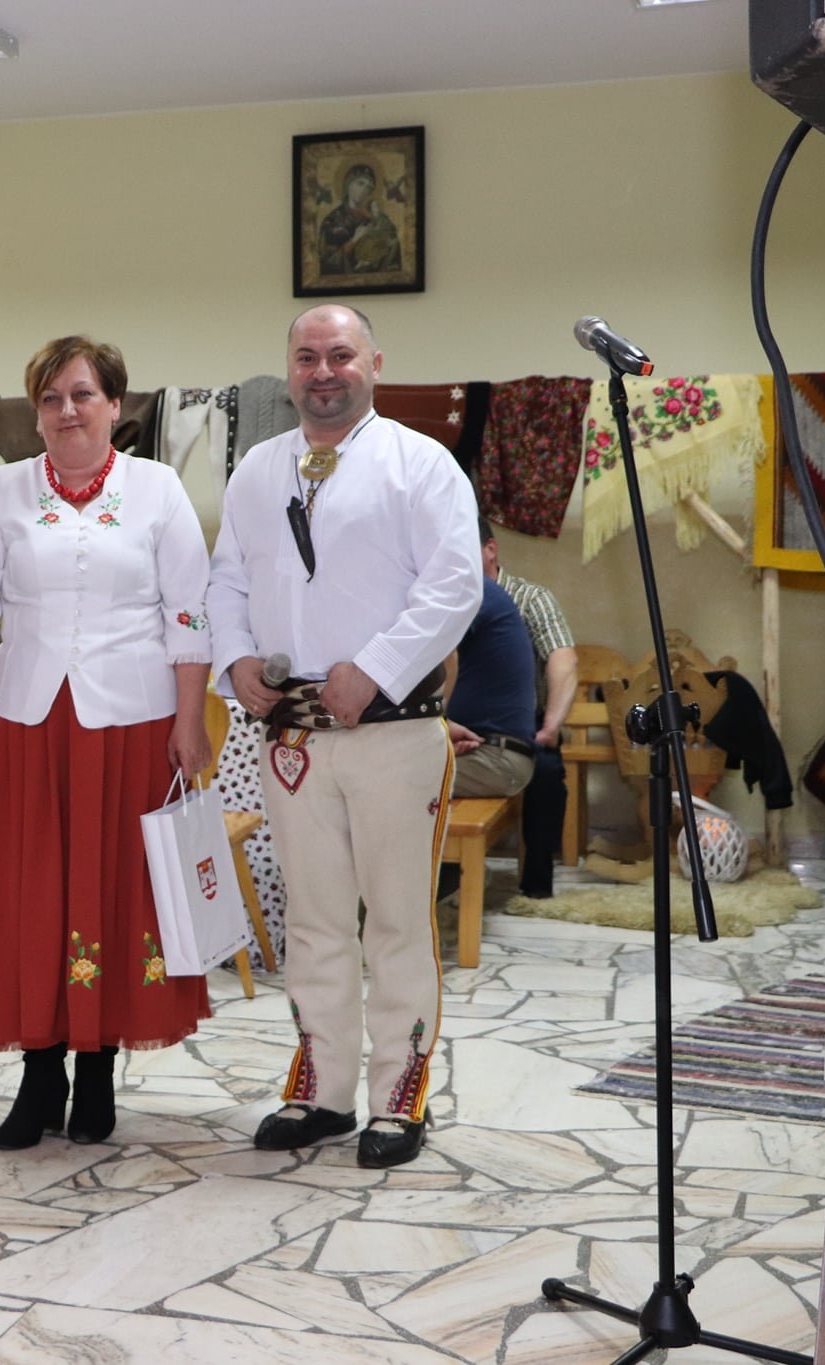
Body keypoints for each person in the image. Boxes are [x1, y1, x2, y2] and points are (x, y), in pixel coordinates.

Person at [207, 303, 479, 1169]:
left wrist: (378, 668)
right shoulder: (257, 470)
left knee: (396, 918)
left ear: (375, 364)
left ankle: (401, 1093)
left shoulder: (421, 464)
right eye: (307, 357)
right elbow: (225, 582)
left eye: (340, 355)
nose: (323, 372)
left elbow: (455, 586)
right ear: (288, 369)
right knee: (315, 918)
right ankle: (321, 1088)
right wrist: (235, 660)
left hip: (394, 731)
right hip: (291, 737)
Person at [0, 335, 213, 1150]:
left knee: (119, 891)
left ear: (115, 406)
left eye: (83, 394)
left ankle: (97, 1069)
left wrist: (189, 722)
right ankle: (41, 1071)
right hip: (27, 726)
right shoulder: (1, 490)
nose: (66, 410)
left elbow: (190, 615)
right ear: (36, 413)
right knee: (33, 894)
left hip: (134, 725)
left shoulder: (158, 489)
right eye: (51, 398)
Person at [482, 525, 577, 898]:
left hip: (523, 724)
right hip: (459, 720)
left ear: (491, 549)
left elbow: (563, 658)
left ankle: (537, 884)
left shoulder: (531, 599)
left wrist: (550, 726)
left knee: (547, 773)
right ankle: (449, 874)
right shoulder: (443, 596)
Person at [445, 527, 539, 804]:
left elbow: (439, 659)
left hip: (494, 757)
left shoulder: (468, 589)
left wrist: (437, 726)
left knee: (384, 779)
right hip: (485, 749)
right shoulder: (477, 588)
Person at [318, 163, 402, 277]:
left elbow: (393, 245)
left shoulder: (377, 217)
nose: (364, 190)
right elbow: (326, 263)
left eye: (369, 187)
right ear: (348, 185)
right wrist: (354, 241)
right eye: (360, 183)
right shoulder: (332, 220)